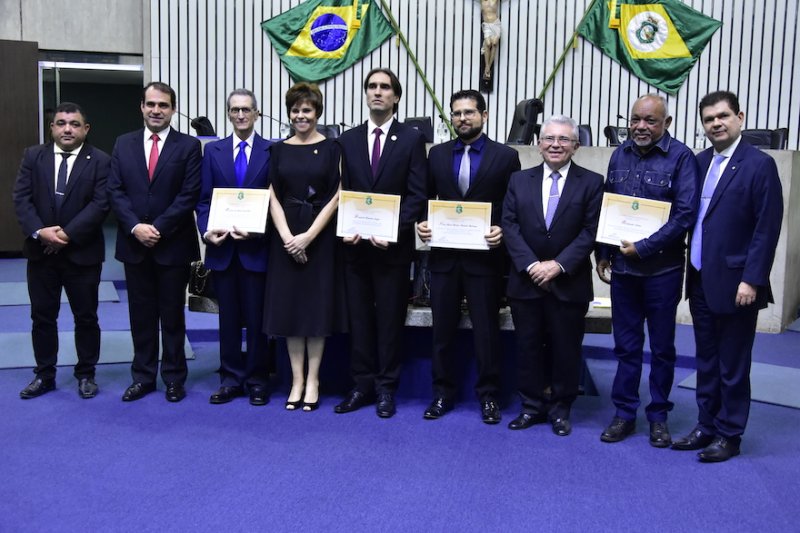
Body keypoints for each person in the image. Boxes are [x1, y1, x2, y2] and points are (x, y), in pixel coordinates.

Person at [671, 91, 783, 462]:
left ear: (740, 117)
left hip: (738, 284)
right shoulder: (699, 161)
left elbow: (766, 228)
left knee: (732, 364)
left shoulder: (760, 165)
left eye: (723, 116)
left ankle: (730, 434)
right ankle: (706, 426)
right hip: (700, 279)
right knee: (706, 361)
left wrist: (752, 279)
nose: (716, 124)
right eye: (709, 119)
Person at [596, 94, 698, 446]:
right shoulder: (619, 154)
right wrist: (604, 252)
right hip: (624, 271)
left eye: (650, 121)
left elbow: (685, 215)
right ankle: (624, 413)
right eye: (635, 119)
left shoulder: (682, 157)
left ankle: (658, 416)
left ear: (666, 123)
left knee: (662, 348)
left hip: (662, 271)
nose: (640, 127)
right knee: (625, 347)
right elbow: (609, 206)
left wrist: (644, 247)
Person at [416, 89, 520, 424]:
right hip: (444, 258)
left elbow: (513, 204)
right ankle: (441, 394)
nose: (462, 118)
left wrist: (502, 229)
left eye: (469, 112)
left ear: (484, 115)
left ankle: (489, 397)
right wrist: (422, 223)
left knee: (486, 332)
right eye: (457, 113)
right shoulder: (437, 155)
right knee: (441, 332)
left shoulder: (505, 157)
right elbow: (424, 199)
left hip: (485, 260)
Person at [334, 68, 427, 418]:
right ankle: (361, 385)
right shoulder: (348, 139)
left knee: (389, 322)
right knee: (359, 320)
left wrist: (393, 230)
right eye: (372, 86)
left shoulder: (411, 139)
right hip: (355, 247)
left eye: (385, 87)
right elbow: (341, 192)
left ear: (396, 96)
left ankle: (387, 388)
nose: (377, 92)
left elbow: (417, 195)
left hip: (393, 249)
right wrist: (345, 226)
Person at [502, 115, 604, 436]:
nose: (555, 145)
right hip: (526, 280)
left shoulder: (592, 182)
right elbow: (509, 225)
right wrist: (532, 265)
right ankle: (531, 406)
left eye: (564, 139)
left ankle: (561, 409)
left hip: (569, 282)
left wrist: (557, 265)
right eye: (549, 138)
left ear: (576, 146)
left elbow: (590, 231)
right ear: (538, 143)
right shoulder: (519, 180)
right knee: (527, 347)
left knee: (566, 350)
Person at [108, 81, 202, 402]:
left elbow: (189, 194)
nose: (156, 110)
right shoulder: (123, 143)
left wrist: (157, 228)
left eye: (163, 105)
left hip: (172, 245)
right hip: (134, 244)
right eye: (151, 104)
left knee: (172, 316)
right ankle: (143, 377)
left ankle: (174, 378)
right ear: (142, 107)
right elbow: (115, 190)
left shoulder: (188, 146)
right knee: (141, 316)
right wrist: (136, 227)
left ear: (173, 109)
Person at [12, 102, 110, 399]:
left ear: (86, 129)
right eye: (61, 123)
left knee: (86, 317)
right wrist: (41, 232)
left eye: (75, 124)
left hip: (83, 254)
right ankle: (44, 375)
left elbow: (101, 204)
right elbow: (22, 198)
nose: (68, 129)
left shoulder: (101, 160)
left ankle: (86, 374)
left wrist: (66, 235)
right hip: (41, 253)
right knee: (42, 317)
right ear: (52, 127)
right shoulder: (33, 156)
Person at [263, 82, 345, 412]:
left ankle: (314, 380)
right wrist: (287, 237)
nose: (301, 115)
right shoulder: (278, 150)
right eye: (295, 110)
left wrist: (309, 236)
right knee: (291, 309)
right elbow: (272, 195)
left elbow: (337, 195)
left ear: (317, 113)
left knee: (315, 309)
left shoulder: (333, 148)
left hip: (319, 237)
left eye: (307, 110)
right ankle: (296, 379)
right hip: (285, 237)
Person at [196, 89, 272, 406]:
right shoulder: (213, 151)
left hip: (256, 248)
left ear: (257, 114)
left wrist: (258, 229)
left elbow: (275, 202)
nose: (240, 115)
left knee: (256, 319)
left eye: (246, 109)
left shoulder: (272, 151)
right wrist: (206, 231)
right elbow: (203, 201)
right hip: (223, 249)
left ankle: (257, 379)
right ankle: (230, 378)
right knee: (227, 319)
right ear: (228, 114)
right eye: (235, 110)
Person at [480, 0, 501, 81]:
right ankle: (487, 66)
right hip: (487, 24)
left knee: (494, 43)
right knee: (488, 44)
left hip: (495, 23)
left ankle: (487, 69)